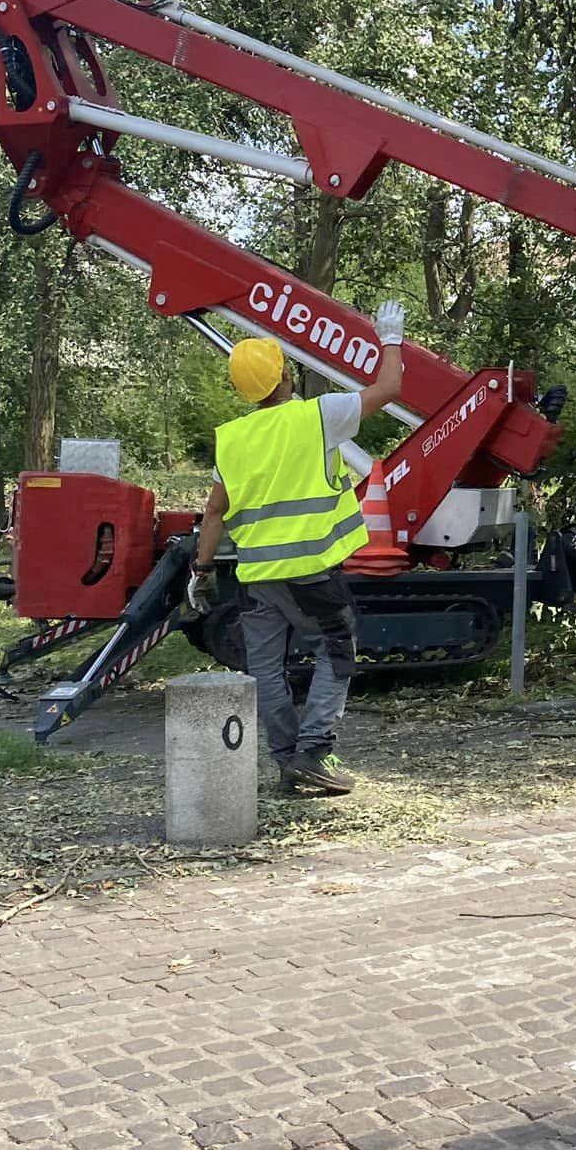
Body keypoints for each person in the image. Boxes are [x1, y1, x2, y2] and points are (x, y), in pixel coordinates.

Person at [187, 301, 405, 796]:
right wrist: (389, 338)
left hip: (257, 576)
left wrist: (200, 571)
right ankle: (314, 751)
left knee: (265, 666)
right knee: (338, 650)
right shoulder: (318, 416)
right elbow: (390, 390)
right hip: (310, 570)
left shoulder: (233, 439)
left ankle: (287, 760)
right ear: (285, 377)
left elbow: (216, 511)